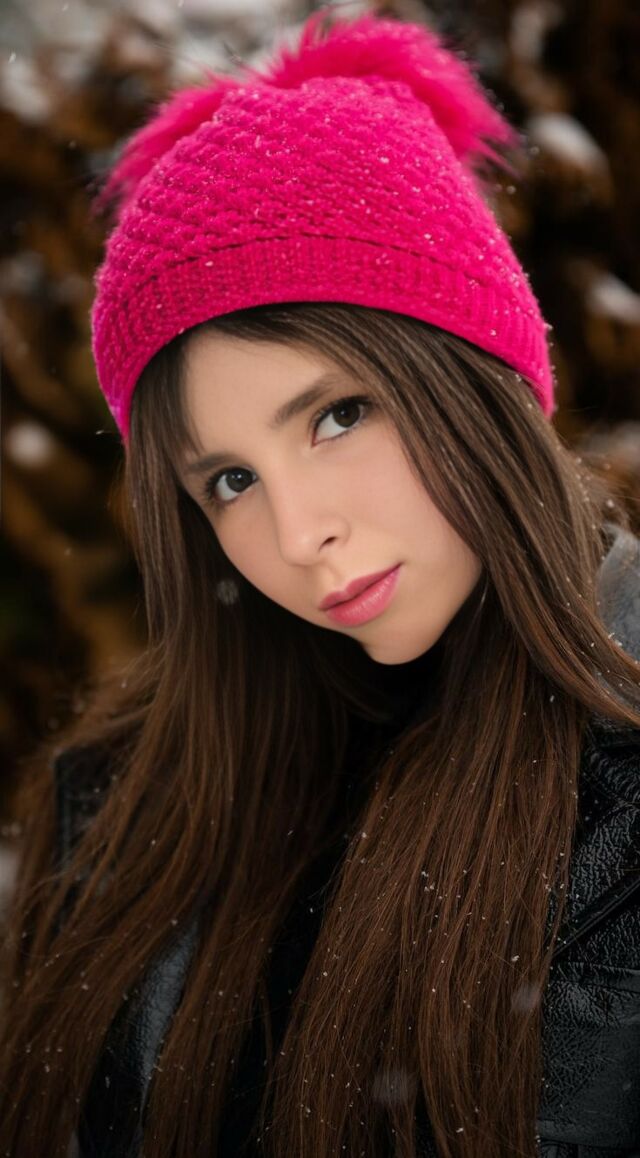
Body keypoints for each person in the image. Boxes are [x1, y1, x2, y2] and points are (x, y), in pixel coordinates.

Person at [1, 8, 639, 1157]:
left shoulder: (620, 799)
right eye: (229, 481)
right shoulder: (119, 805)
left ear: (471, 381)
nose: (298, 535)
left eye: (338, 416)